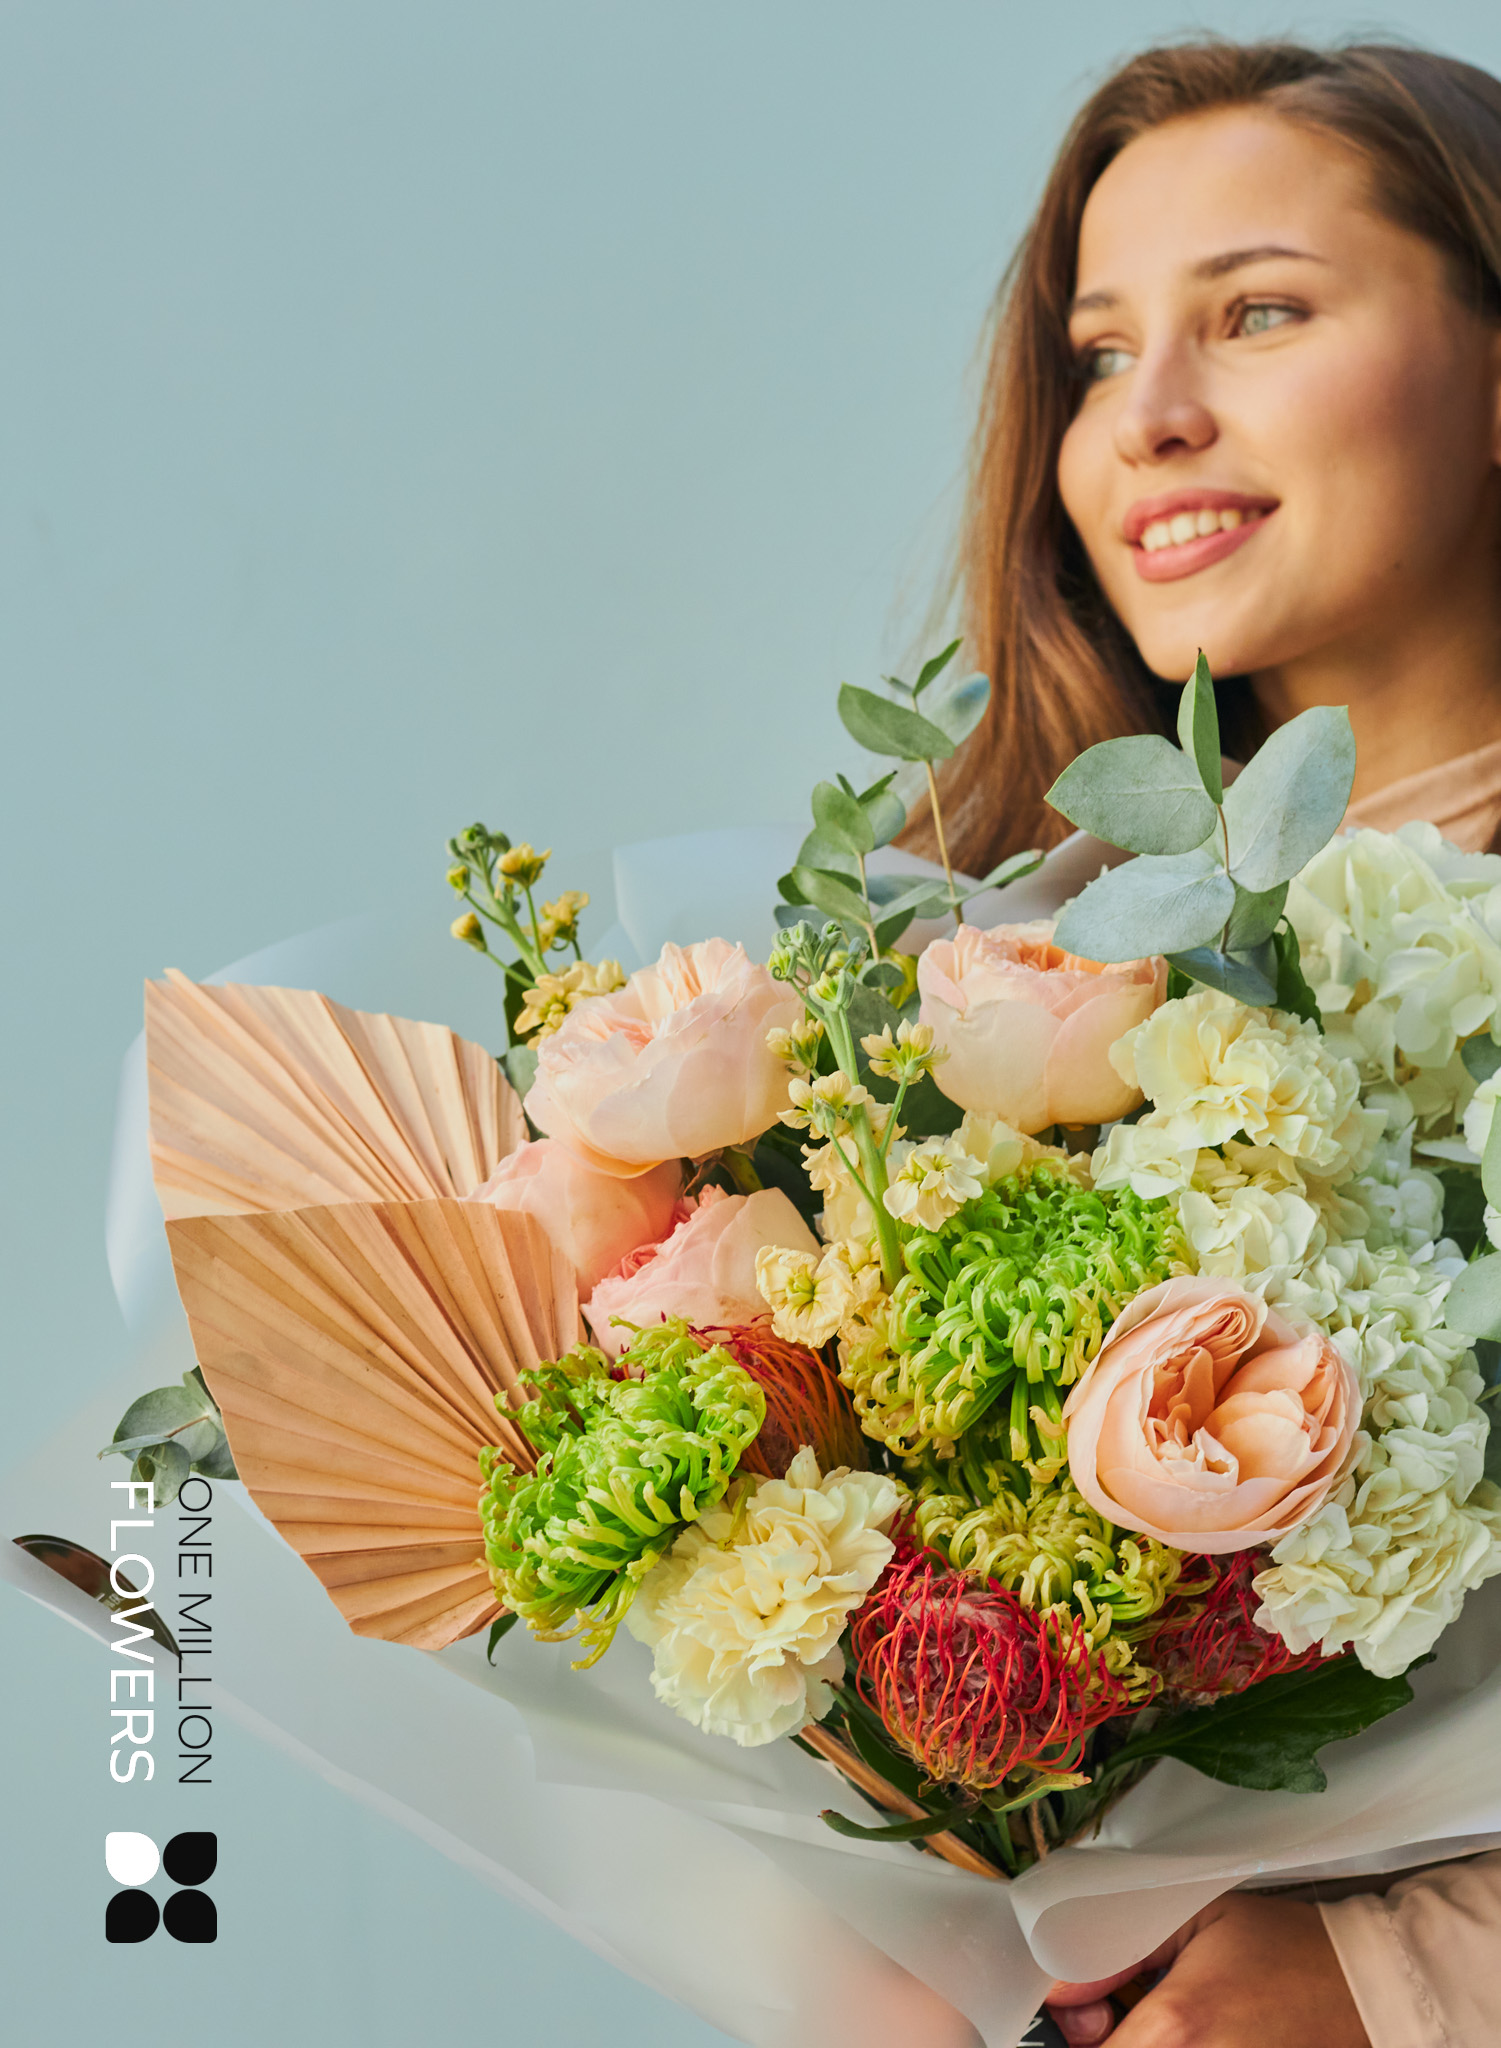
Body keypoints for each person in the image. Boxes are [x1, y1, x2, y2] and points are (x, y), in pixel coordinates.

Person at [906, 37, 1501, 2048]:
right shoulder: (968, 983)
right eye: (1095, 353)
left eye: (1255, 313)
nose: (1145, 417)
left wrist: (1393, 1977)